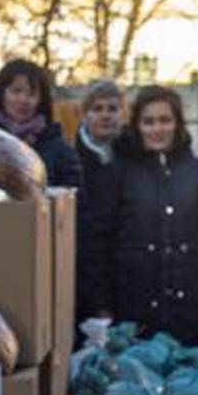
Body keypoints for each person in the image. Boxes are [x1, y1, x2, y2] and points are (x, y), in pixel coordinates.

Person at [109, 85, 198, 345]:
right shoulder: (120, 172)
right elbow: (105, 233)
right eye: (148, 122)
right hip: (134, 304)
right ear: (137, 126)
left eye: (165, 120)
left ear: (177, 124)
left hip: (190, 304)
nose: (157, 129)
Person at [72, 79, 124, 323]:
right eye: (97, 109)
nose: (105, 115)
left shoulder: (131, 157)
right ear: (85, 115)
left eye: (112, 109)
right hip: (86, 280)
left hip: (126, 278)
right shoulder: (72, 161)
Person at [0, 58, 82, 190]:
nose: (23, 100)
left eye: (32, 94)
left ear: (41, 101)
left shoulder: (59, 151)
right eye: (16, 91)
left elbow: (76, 199)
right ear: (1, 94)